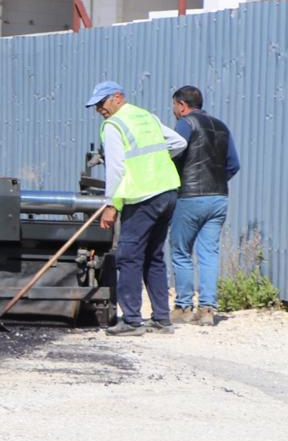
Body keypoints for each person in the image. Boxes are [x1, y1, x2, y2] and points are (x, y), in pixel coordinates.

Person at [87, 81, 187, 335]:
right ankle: (162, 319)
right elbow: (178, 143)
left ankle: (131, 320)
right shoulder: (146, 116)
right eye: (96, 105)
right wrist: (155, 162)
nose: (99, 109)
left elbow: (117, 168)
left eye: (102, 103)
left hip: (142, 195)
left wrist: (111, 205)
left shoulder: (113, 125)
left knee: (129, 256)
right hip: (167, 192)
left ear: (117, 98)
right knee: (154, 256)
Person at [168, 85, 241, 327]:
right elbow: (233, 164)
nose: (174, 112)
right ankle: (208, 309)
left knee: (181, 251)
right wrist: (217, 181)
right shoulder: (222, 126)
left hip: (190, 196)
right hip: (219, 197)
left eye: (174, 107)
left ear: (181, 105)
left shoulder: (186, 124)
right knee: (209, 253)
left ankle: (184, 307)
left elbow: (175, 154)